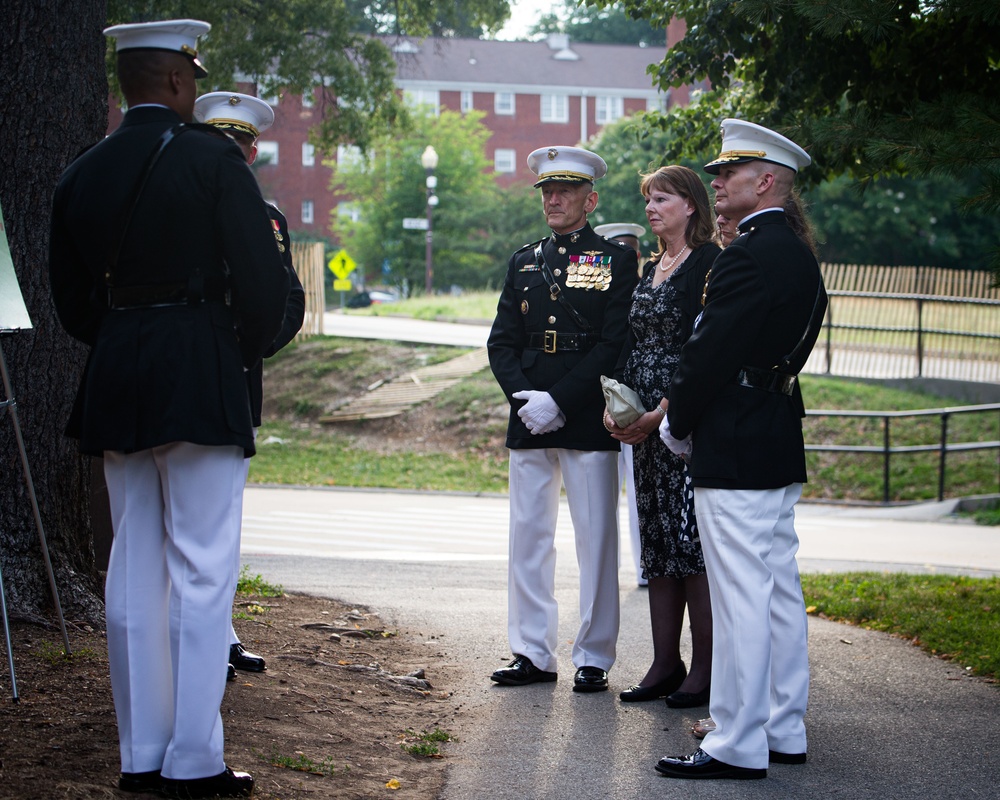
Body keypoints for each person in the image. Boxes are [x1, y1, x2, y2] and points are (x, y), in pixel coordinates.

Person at [49, 19, 290, 798]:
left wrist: (128, 331)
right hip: (199, 368)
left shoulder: (83, 170)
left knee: (132, 565)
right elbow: (260, 283)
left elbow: (72, 304)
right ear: (181, 82)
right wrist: (239, 340)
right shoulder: (213, 159)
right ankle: (194, 758)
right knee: (202, 568)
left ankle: (140, 752)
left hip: (118, 370)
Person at [655, 119, 828, 780]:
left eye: (729, 172)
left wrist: (677, 423)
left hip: (736, 440)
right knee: (777, 588)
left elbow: (706, 358)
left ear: (765, 182)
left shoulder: (748, 256)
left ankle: (735, 740)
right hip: (776, 431)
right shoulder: (798, 254)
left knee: (742, 596)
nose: (717, 179)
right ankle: (783, 726)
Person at [487, 146, 639, 693]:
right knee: (528, 536)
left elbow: (614, 343)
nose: (553, 199)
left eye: (566, 191)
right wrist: (525, 400)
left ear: (590, 199)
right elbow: (501, 341)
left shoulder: (614, 261)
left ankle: (594, 654)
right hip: (530, 412)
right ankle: (531, 650)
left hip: (584, 411)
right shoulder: (524, 260)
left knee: (595, 537)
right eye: (547, 191)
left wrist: (563, 401)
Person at [193, 91, 306, 680]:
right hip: (187, 368)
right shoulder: (181, 203)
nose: (231, 155)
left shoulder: (268, 217)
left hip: (237, 376)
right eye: (221, 144)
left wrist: (249, 346)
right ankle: (197, 632)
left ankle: (223, 629)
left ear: (253, 150)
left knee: (225, 520)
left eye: (239, 146)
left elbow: (288, 296)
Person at [604, 167, 719, 709]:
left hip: (682, 424)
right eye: (648, 199)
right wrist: (619, 410)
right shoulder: (650, 267)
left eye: (663, 198)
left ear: (691, 205)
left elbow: (706, 352)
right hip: (642, 424)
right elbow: (632, 346)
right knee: (657, 542)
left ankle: (706, 670)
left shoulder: (709, 265)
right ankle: (664, 663)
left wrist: (663, 414)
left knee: (690, 543)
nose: (651, 207)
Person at [593, 222, 646, 588]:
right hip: (597, 401)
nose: (623, 256)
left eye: (629, 249)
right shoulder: (592, 291)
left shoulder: (649, 285)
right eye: (616, 249)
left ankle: (644, 566)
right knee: (600, 495)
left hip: (634, 401)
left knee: (638, 485)